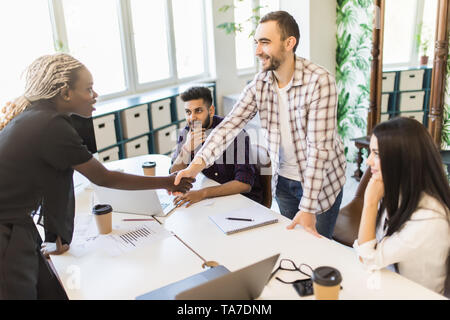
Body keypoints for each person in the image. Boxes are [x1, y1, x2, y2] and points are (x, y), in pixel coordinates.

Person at [0, 53, 194, 299]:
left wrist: (56, 237)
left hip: (16, 223)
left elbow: (55, 180)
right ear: (65, 92)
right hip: (6, 231)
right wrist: (167, 181)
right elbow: (104, 178)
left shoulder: (37, 117)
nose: (95, 95)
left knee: (53, 291)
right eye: (89, 89)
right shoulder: (52, 126)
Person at [174, 11, 346, 239]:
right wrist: (193, 167)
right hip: (283, 179)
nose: (257, 51)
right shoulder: (260, 83)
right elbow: (228, 127)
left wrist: (307, 208)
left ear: (289, 43)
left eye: (265, 42)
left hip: (321, 183)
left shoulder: (319, 82)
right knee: (294, 244)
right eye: (256, 43)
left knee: (318, 250)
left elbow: (319, 150)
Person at [354, 117, 450, 296]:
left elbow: (368, 257)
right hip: (388, 285)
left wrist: (370, 203)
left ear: (401, 160)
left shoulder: (430, 219)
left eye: (377, 153)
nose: (368, 161)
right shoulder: (398, 191)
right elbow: (370, 249)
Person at [170, 86, 263, 207]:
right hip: (213, 199)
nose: (192, 117)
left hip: (243, 201)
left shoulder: (234, 133)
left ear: (211, 111)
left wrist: (202, 193)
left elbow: (244, 184)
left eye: (198, 111)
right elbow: (174, 175)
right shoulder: (187, 132)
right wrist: (186, 150)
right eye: (188, 112)